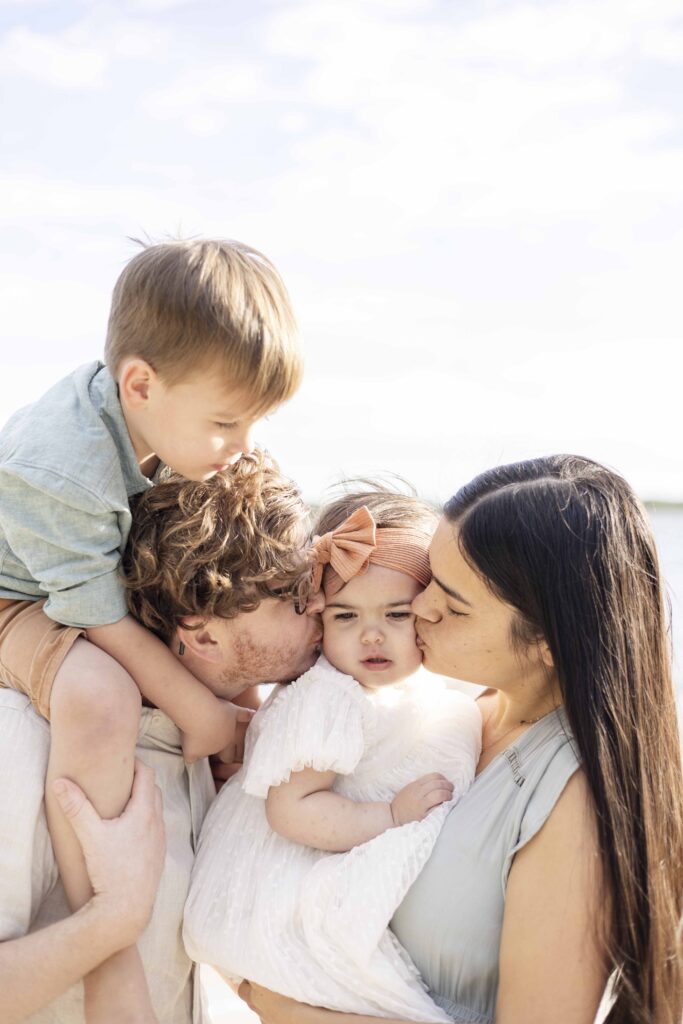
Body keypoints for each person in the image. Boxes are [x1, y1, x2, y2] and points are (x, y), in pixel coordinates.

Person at [237, 455, 683, 1024]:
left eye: (450, 604)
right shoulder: (459, 709)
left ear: (547, 640)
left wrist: (286, 1007)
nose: (418, 606)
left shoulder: (574, 803)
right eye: (429, 577)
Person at [0, 238, 301, 1020]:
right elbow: (91, 616)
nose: (242, 447)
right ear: (140, 384)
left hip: (57, 586)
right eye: (227, 424)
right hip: (9, 600)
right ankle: (98, 926)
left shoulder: (160, 424)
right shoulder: (57, 469)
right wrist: (199, 713)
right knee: (99, 694)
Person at [0, 450, 324, 1024]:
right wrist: (108, 924)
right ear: (201, 634)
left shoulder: (202, 747)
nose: (320, 607)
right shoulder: (25, 738)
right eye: (294, 598)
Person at [183, 492, 482, 1022]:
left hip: (317, 851)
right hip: (274, 883)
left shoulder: (396, 692)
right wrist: (390, 818)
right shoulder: (331, 698)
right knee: (370, 987)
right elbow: (291, 811)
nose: (372, 634)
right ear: (320, 622)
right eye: (346, 615)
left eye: (396, 614)